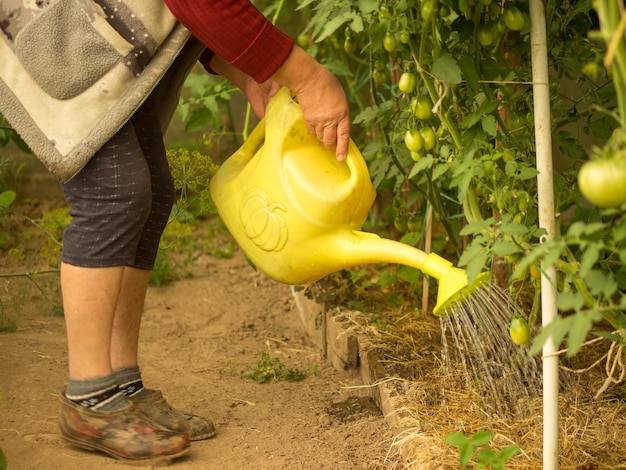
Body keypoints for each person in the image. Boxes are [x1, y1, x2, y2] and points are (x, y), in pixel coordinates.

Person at [0, 0, 350, 464]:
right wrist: (309, 78)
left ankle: (120, 386)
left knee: (150, 192)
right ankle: (89, 400)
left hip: (93, 36)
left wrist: (249, 71)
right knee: (112, 194)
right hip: (56, 35)